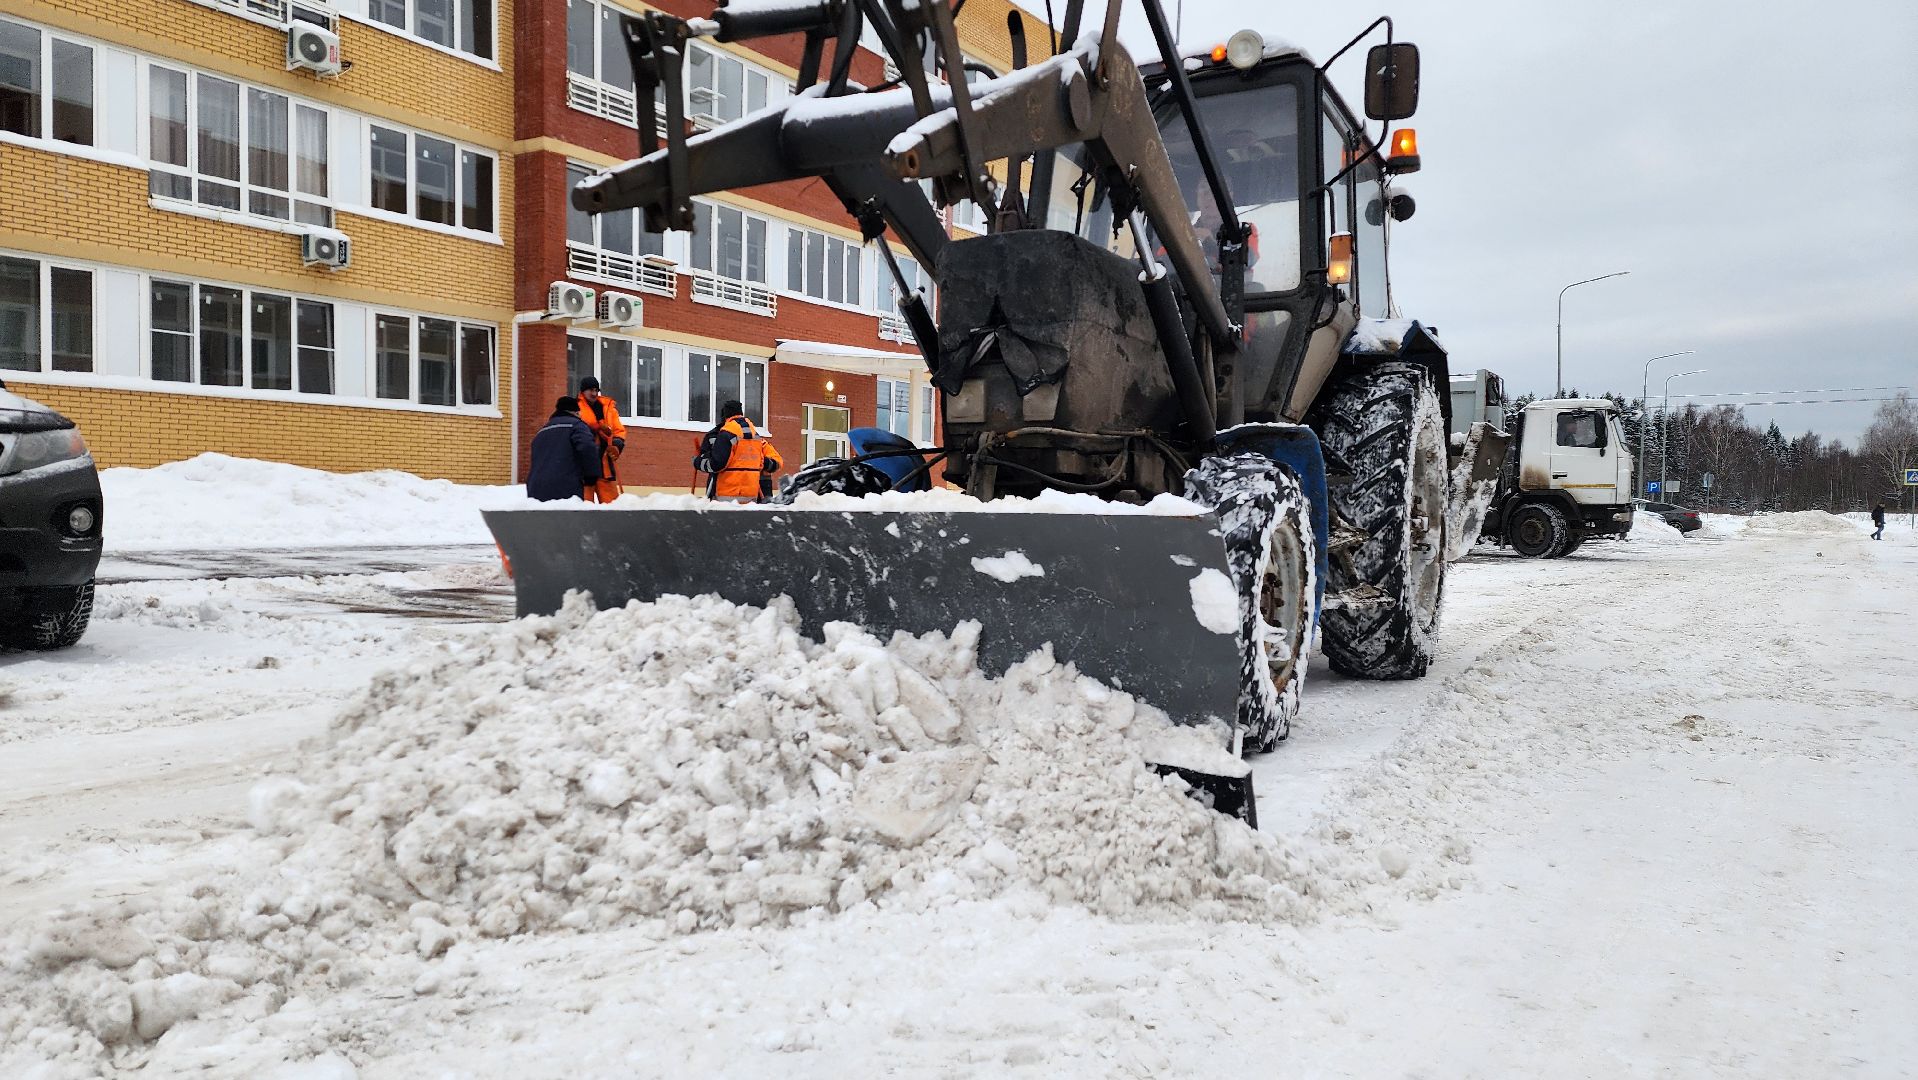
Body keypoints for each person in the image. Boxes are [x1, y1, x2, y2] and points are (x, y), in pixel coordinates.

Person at [696, 399, 783, 502]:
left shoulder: (754, 438)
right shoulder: (715, 435)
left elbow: (777, 461)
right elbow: (710, 460)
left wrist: (697, 462)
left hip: (730, 496)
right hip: (742, 495)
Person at [526, 396, 601, 501]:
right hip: (565, 487)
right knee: (567, 517)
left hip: (535, 489)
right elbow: (588, 448)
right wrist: (591, 476)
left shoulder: (541, 432)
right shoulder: (577, 426)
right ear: (576, 412)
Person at [576, 376, 627, 502]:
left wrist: (616, 446)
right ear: (583, 391)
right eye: (590, 390)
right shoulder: (576, 408)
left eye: (596, 390)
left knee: (612, 509)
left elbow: (619, 431)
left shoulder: (608, 408)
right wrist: (597, 427)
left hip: (605, 467)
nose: (594, 393)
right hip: (584, 468)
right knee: (583, 509)